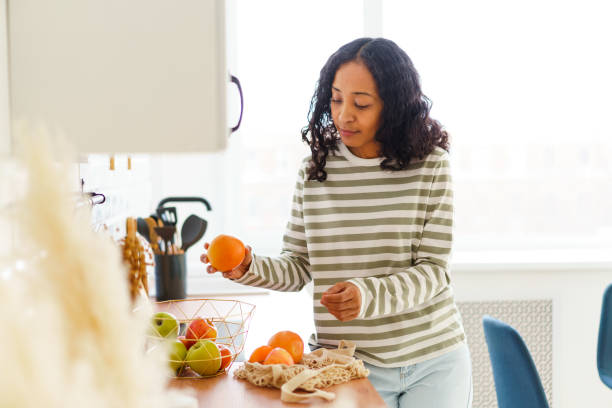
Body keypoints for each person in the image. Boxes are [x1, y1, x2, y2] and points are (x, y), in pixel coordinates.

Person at [201, 37, 472, 408]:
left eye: (361, 104)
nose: (344, 114)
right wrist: (246, 266)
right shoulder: (316, 171)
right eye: (336, 98)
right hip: (347, 365)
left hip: (434, 361)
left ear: (393, 107)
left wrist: (367, 295)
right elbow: (297, 267)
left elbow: (434, 271)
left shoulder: (430, 166)